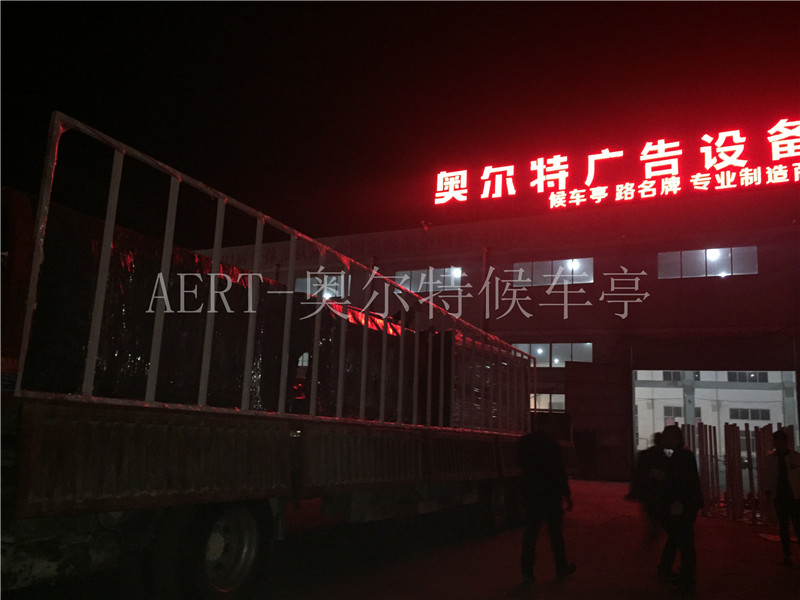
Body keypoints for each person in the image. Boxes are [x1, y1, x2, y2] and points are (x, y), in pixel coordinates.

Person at [516, 424, 576, 586]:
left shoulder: (525, 442)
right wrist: (567, 495)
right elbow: (559, 471)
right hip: (551, 494)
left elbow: (520, 464)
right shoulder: (552, 445)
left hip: (532, 494)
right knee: (555, 534)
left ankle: (527, 573)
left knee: (530, 534)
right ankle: (561, 566)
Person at [653, 425, 703, 599]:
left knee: (685, 544)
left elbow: (681, 483)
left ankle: (687, 581)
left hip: (683, 506)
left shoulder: (681, 457)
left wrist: (677, 501)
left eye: (666, 437)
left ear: (672, 438)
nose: (664, 440)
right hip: (686, 505)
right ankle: (685, 577)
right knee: (683, 542)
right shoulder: (683, 455)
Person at [762, 428, 800, 567]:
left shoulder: (795, 457)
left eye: (777, 441)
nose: (775, 444)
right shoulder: (771, 459)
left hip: (795, 497)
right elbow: (768, 478)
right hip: (780, 496)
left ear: (784, 442)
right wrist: (768, 496)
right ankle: (787, 556)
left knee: (797, 526)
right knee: (784, 527)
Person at [627, 432, 665, 541]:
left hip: (647, 487)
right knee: (658, 509)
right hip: (658, 488)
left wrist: (634, 489)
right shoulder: (665, 457)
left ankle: (653, 529)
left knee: (649, 510)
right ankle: (657, 528)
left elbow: (638, 472)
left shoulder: (645, 454)